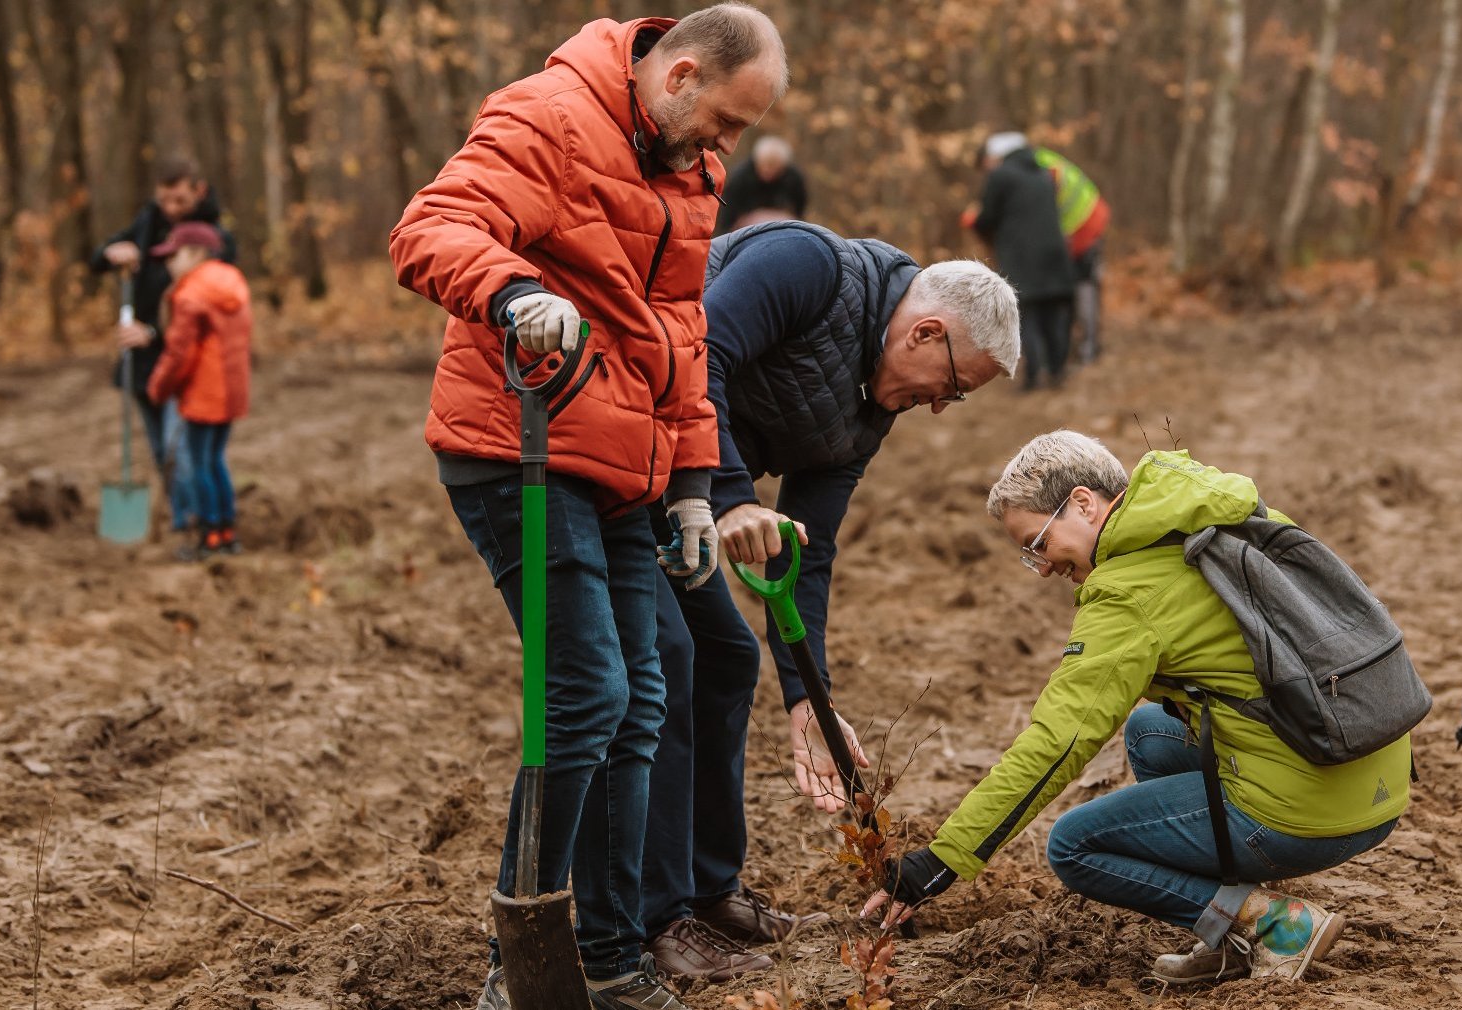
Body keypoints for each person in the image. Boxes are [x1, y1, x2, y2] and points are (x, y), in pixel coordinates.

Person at [388, 7, 787, 1009]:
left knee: (641, 697)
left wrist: (693, 487)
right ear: (681, 74)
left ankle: (608, 959)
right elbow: (430, 227)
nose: (726, 150)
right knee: (586, 694)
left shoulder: (688, 167)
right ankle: (518, 963)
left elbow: (681, 329)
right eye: (724, 123)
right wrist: (513, 291)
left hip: (626, 467)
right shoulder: (547, 116)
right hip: (512, 445)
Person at [863, 432, 1409, 986]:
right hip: (1371, 775)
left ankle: (1273, 925)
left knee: (1075, 844)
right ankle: (1230, 929)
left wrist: (945, 859)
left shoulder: (1127, 593)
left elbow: (1058, 744)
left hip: (1312, 817)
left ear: (1082, 503)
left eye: (1037, 543)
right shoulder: (1222, 516)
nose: (1042, 566)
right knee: (1151, 731)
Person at [641, 219, 1020, 982]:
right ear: (926, 332)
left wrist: (806, 700)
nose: (942, 407)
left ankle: (709, 892)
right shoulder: (808, 267)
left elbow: (807, 557)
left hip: (683, 484)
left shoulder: (867, 413)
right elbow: (695, 354)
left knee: (725, 656)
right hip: (617, 447)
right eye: (953, 386)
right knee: (672, 661)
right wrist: (732, 495)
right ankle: (656, 917)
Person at [90, 155, 238, 536]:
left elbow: (200, 315)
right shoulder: (149, 222)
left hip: (183, 366)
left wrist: (152, 332)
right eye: (164, 201)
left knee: (184, 454)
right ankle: (181, 518)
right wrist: (113, 252)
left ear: (198, 192)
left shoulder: (211, 241)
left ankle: (199, 522)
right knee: (162, 452)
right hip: (142, 363)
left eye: (179, 201)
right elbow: (99, 257)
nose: (171, 210)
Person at [144, 222, 251, 560]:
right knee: (216, 460)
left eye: (173, 255)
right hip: (231, 389)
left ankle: (209, 534)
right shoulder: (232, 282)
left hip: (204, 393)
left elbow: (179, 353)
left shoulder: (191, 294)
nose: (168, 263)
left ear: (196, 253)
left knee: (201, 463)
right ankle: (226, 532)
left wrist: (158, 387)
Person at [964, 132, 1075, 391]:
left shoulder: (1001, 176)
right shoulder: (1045, 173)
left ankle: (1033, 377)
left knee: (1027, 316)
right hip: (1055, 254)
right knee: (1053, 315)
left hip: (1021, 257)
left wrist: (973, 220)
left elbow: (986, 218)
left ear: (997, 156)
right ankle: (1057, 372)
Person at [1032, 147, 1109, 363]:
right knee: (1081, 291)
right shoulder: (1042, 159)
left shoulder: (1044, 170)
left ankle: (1088, 348)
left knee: (1084, 290)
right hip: (1083, 227)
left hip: (1082, 233)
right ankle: (1083, 346)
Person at [715, 134, 807, 232]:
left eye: (773, 166)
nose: (768, 170)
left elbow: (799, 208)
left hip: (781, 224)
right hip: (746, 227)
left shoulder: (793, 178)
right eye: (765, 165)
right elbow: (728, 212)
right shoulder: (741, 177)